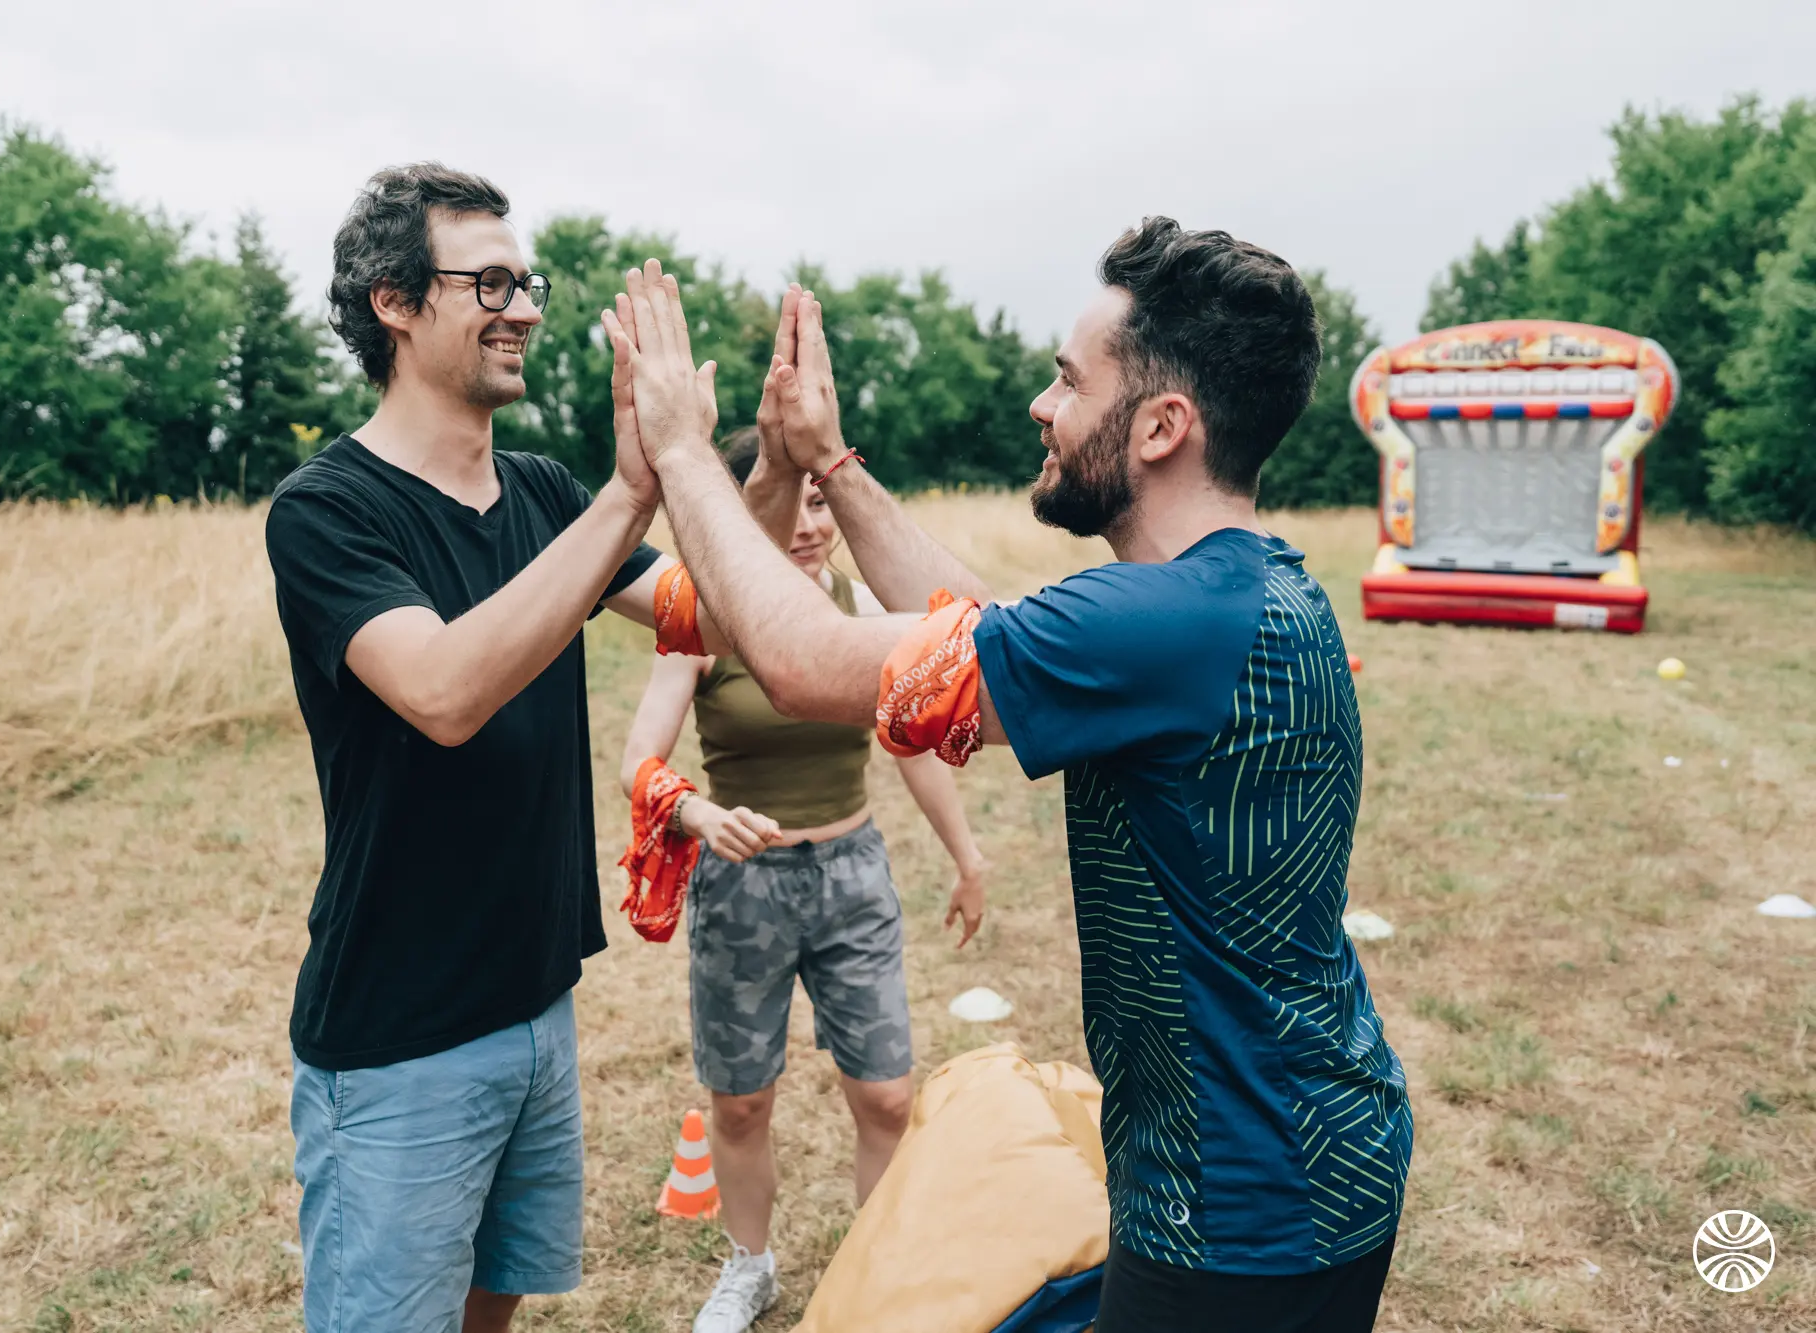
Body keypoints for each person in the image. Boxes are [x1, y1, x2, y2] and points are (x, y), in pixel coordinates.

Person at [602, 220, 1412, 1333]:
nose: (1041, 403)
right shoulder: (1235, 590)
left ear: (1161, 426)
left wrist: (686, 450)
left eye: (1067, 381)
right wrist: (828, 467)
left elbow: (796, 661)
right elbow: (973, 630)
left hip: (1241, 1195)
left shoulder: (1164, 619)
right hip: (1299, 1145)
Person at [265, 164, 796, 1333]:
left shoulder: (543, 492)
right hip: (399, 1033)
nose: (521, 307)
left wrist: (764, 467)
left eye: (527, 281)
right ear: (394, 303)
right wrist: (628, 492)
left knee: (490, 1314)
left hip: (533, 998)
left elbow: (710, 616)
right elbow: (444, 690)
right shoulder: (327, 510)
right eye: (488, 282)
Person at [619, 427, 988, 1333]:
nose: (809, 521)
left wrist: (967, 853)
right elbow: (639, 759)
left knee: (888, 1096)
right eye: (788, 503)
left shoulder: (861, 610)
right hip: (742, 886)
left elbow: (915, 743)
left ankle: (881, 1274)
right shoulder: (704, 618)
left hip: (851, 875)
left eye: (819, 500)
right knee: (741, 1102)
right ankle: (751, 1269)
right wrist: (698, 814)